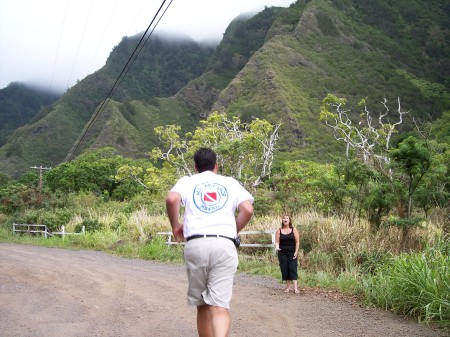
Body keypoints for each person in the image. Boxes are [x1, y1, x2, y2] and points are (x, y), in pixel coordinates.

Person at [166, 147, 254, 337]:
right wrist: (232, 231)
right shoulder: (229, 182)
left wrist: (175, 226)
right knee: (219, 305)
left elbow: (172, 198)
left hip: (196, 243)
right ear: (216, 165)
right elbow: (247, 209)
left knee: (202, 304)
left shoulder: (188, 181)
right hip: (224, 244)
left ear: (195, 166)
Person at [275, 215, 300, 294]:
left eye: (287, 218)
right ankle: (288, 287)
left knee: (293, 268)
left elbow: (297, 242)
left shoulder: (294, 230)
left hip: (292, 252)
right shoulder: (279, 230)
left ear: (289, 220)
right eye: (284, 218)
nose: (285, 219)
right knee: (285, 269)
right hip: (282, 253)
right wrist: (277, 247)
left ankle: (295, 288)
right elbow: (277, 241)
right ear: (282, 220)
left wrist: (296, 251)